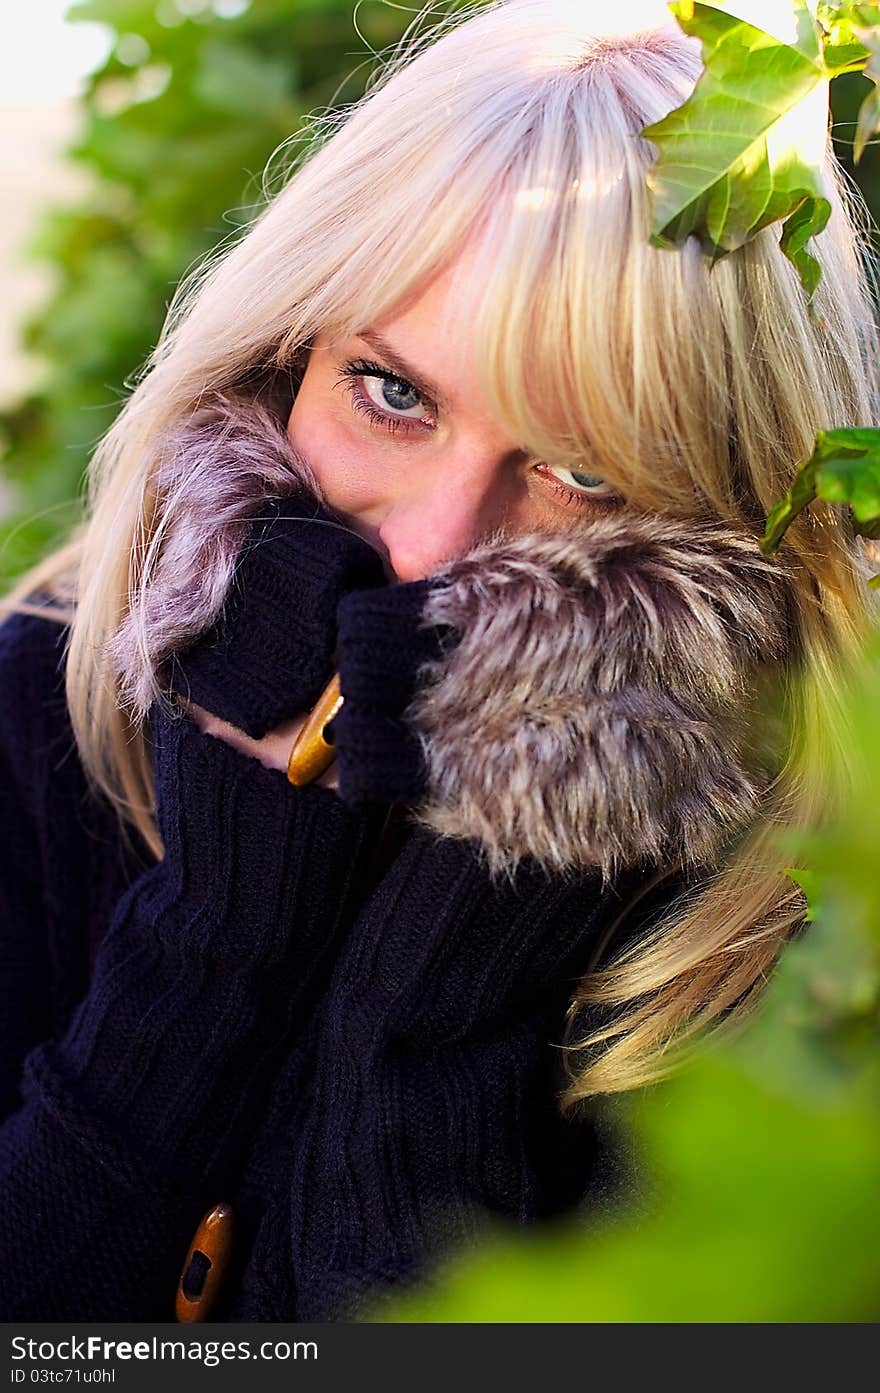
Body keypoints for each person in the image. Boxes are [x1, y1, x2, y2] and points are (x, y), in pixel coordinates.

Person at [0, 0, 877, 1323]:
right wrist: (216, 940)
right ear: (288, 351)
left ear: (729, 511)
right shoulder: (45, 711)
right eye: (393, 393)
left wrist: (499, 873)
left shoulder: (801, 940)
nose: (431, 554)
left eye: (581, 472)